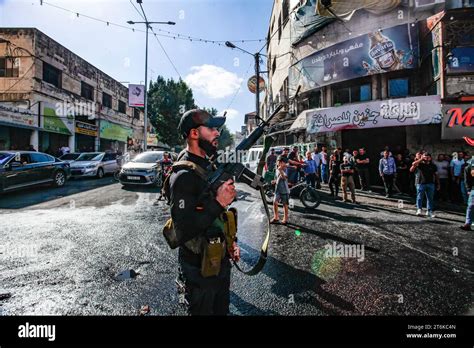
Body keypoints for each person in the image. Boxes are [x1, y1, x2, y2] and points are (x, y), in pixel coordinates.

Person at [168, 109, 239, 315]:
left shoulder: (209, 164)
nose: (217, 133)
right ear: (194, 134)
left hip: (219, 259)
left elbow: (216, 216)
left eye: (218, 128)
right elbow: (183, 230)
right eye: (211, 128)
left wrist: (230, 242)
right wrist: (219, 202)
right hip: (198, 269)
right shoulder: (183, 175)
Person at [410, 153, 440, 218]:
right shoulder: (420, 164)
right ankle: (419, 209)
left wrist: (438, 184)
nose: (426, 158)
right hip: (420, 183)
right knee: (420, 197)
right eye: (425, 157)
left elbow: (436, 175)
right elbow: (413, 164)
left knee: (430, 198)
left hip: (430, 183)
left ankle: (429, 211)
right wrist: (421, 159)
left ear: (430, 158)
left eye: (428, 157)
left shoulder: (433, 166)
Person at [271, 156, 290, 225]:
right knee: (275, 202)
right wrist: (274, 181)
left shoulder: (285, 169)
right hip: (277, 189)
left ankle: (285, 219)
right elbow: (277, 178)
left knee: (285, 204)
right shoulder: (277, 169)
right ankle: (276, 217)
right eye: (279, 161)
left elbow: (284, 178)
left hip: (284, 189)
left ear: (283, 162)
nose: (279, 163)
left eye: (281, 162)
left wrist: (280, 170)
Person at [460, 158, 473, 230]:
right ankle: (468, 223)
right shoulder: (469, 166)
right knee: (471, 205)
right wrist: (468, 189)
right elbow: (467, 179)